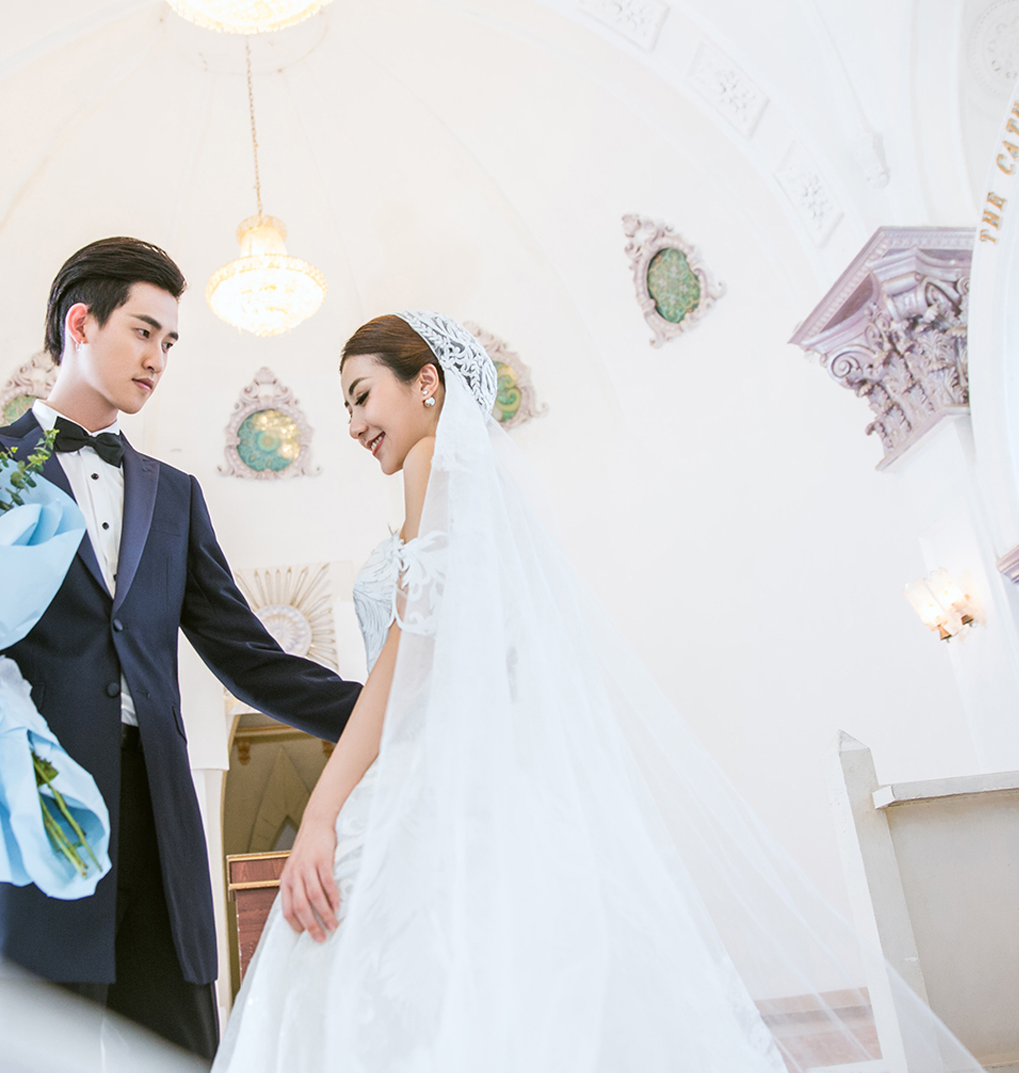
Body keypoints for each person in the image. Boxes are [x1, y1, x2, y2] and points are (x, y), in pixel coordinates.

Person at [213, 312, 978, 1072]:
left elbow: (403, 656)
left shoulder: (429, 463)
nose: (353, 424)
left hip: (434, 784)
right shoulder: (479, 490)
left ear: (427, 384)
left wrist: (323, 812)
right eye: (346, 407)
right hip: (492, 781)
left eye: (361, 396)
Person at [0, 237, 361, 1063]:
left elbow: (251, 659)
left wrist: (390, 709)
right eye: (144, 332)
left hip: (162, 831)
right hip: (33, 811)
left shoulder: (177, 496)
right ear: (81, 323)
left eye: (169, 342)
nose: (158, 359)